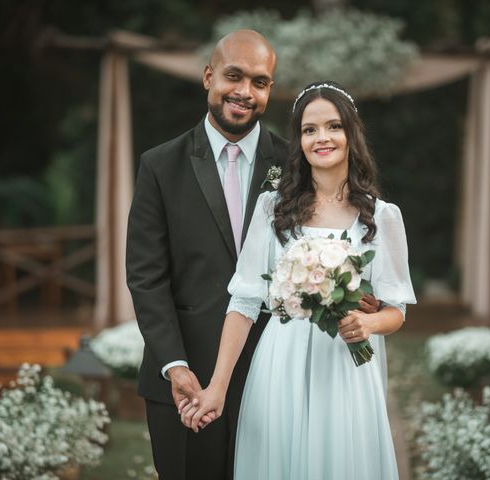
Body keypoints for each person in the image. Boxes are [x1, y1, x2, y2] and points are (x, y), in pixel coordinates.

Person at [180, 81, 417, 480]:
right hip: (280, 364)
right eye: (309, 130)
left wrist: (368, 323)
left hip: (345, 369)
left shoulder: (382, 216)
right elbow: (243, 303)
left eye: (333, 126)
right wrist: (217, 388)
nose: (321, 138)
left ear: (351, 134)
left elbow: (396, 310)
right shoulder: (273, 208)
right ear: (299, 141)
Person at [125, 30, 287, 480]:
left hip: (273, 378)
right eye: (233, 76)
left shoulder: (295, 167)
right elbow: (145, 277)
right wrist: (174, 365)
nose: (244, 92)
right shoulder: (160, 165)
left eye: (260, 81)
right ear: (208, 77)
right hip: (187, 383)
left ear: (269, 89)